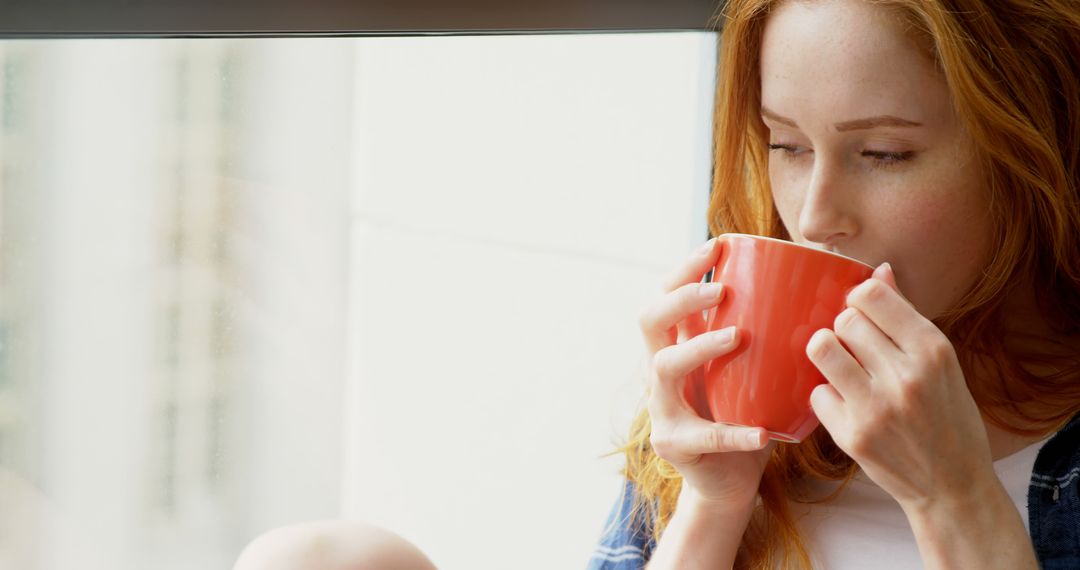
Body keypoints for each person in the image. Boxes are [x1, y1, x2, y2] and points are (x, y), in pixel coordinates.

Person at [587, 0, 1080, 568]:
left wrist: (955, 500)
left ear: (1033, 151)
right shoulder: (706, 422)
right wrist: (710, 505)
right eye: (787, 145)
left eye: (883, 154)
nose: (816, 217)